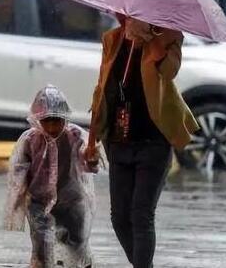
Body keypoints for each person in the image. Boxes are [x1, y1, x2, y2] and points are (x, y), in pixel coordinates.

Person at [85, 15, 198, 268]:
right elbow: (101, 89)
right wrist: (92, 139)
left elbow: (169, 73)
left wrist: (151, 41)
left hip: (153, 140)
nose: (122, 15)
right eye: (120, 11)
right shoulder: (112, 39)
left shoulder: (170, 37)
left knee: (141, 214)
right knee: (119, 217)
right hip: (119, 139)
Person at [4, 85, 101, 268]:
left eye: (56, 121)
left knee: (77, 241)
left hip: (71, 201)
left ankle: (79, 263)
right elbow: (19, 170)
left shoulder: (76, 136)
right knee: (41, 243)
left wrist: (91, 157)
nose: (51, 127)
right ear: (37, 120)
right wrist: (18, 196)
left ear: (64, 118)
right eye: (46, 121)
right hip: (38, 202)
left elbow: (88, 163)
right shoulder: (29, 140)